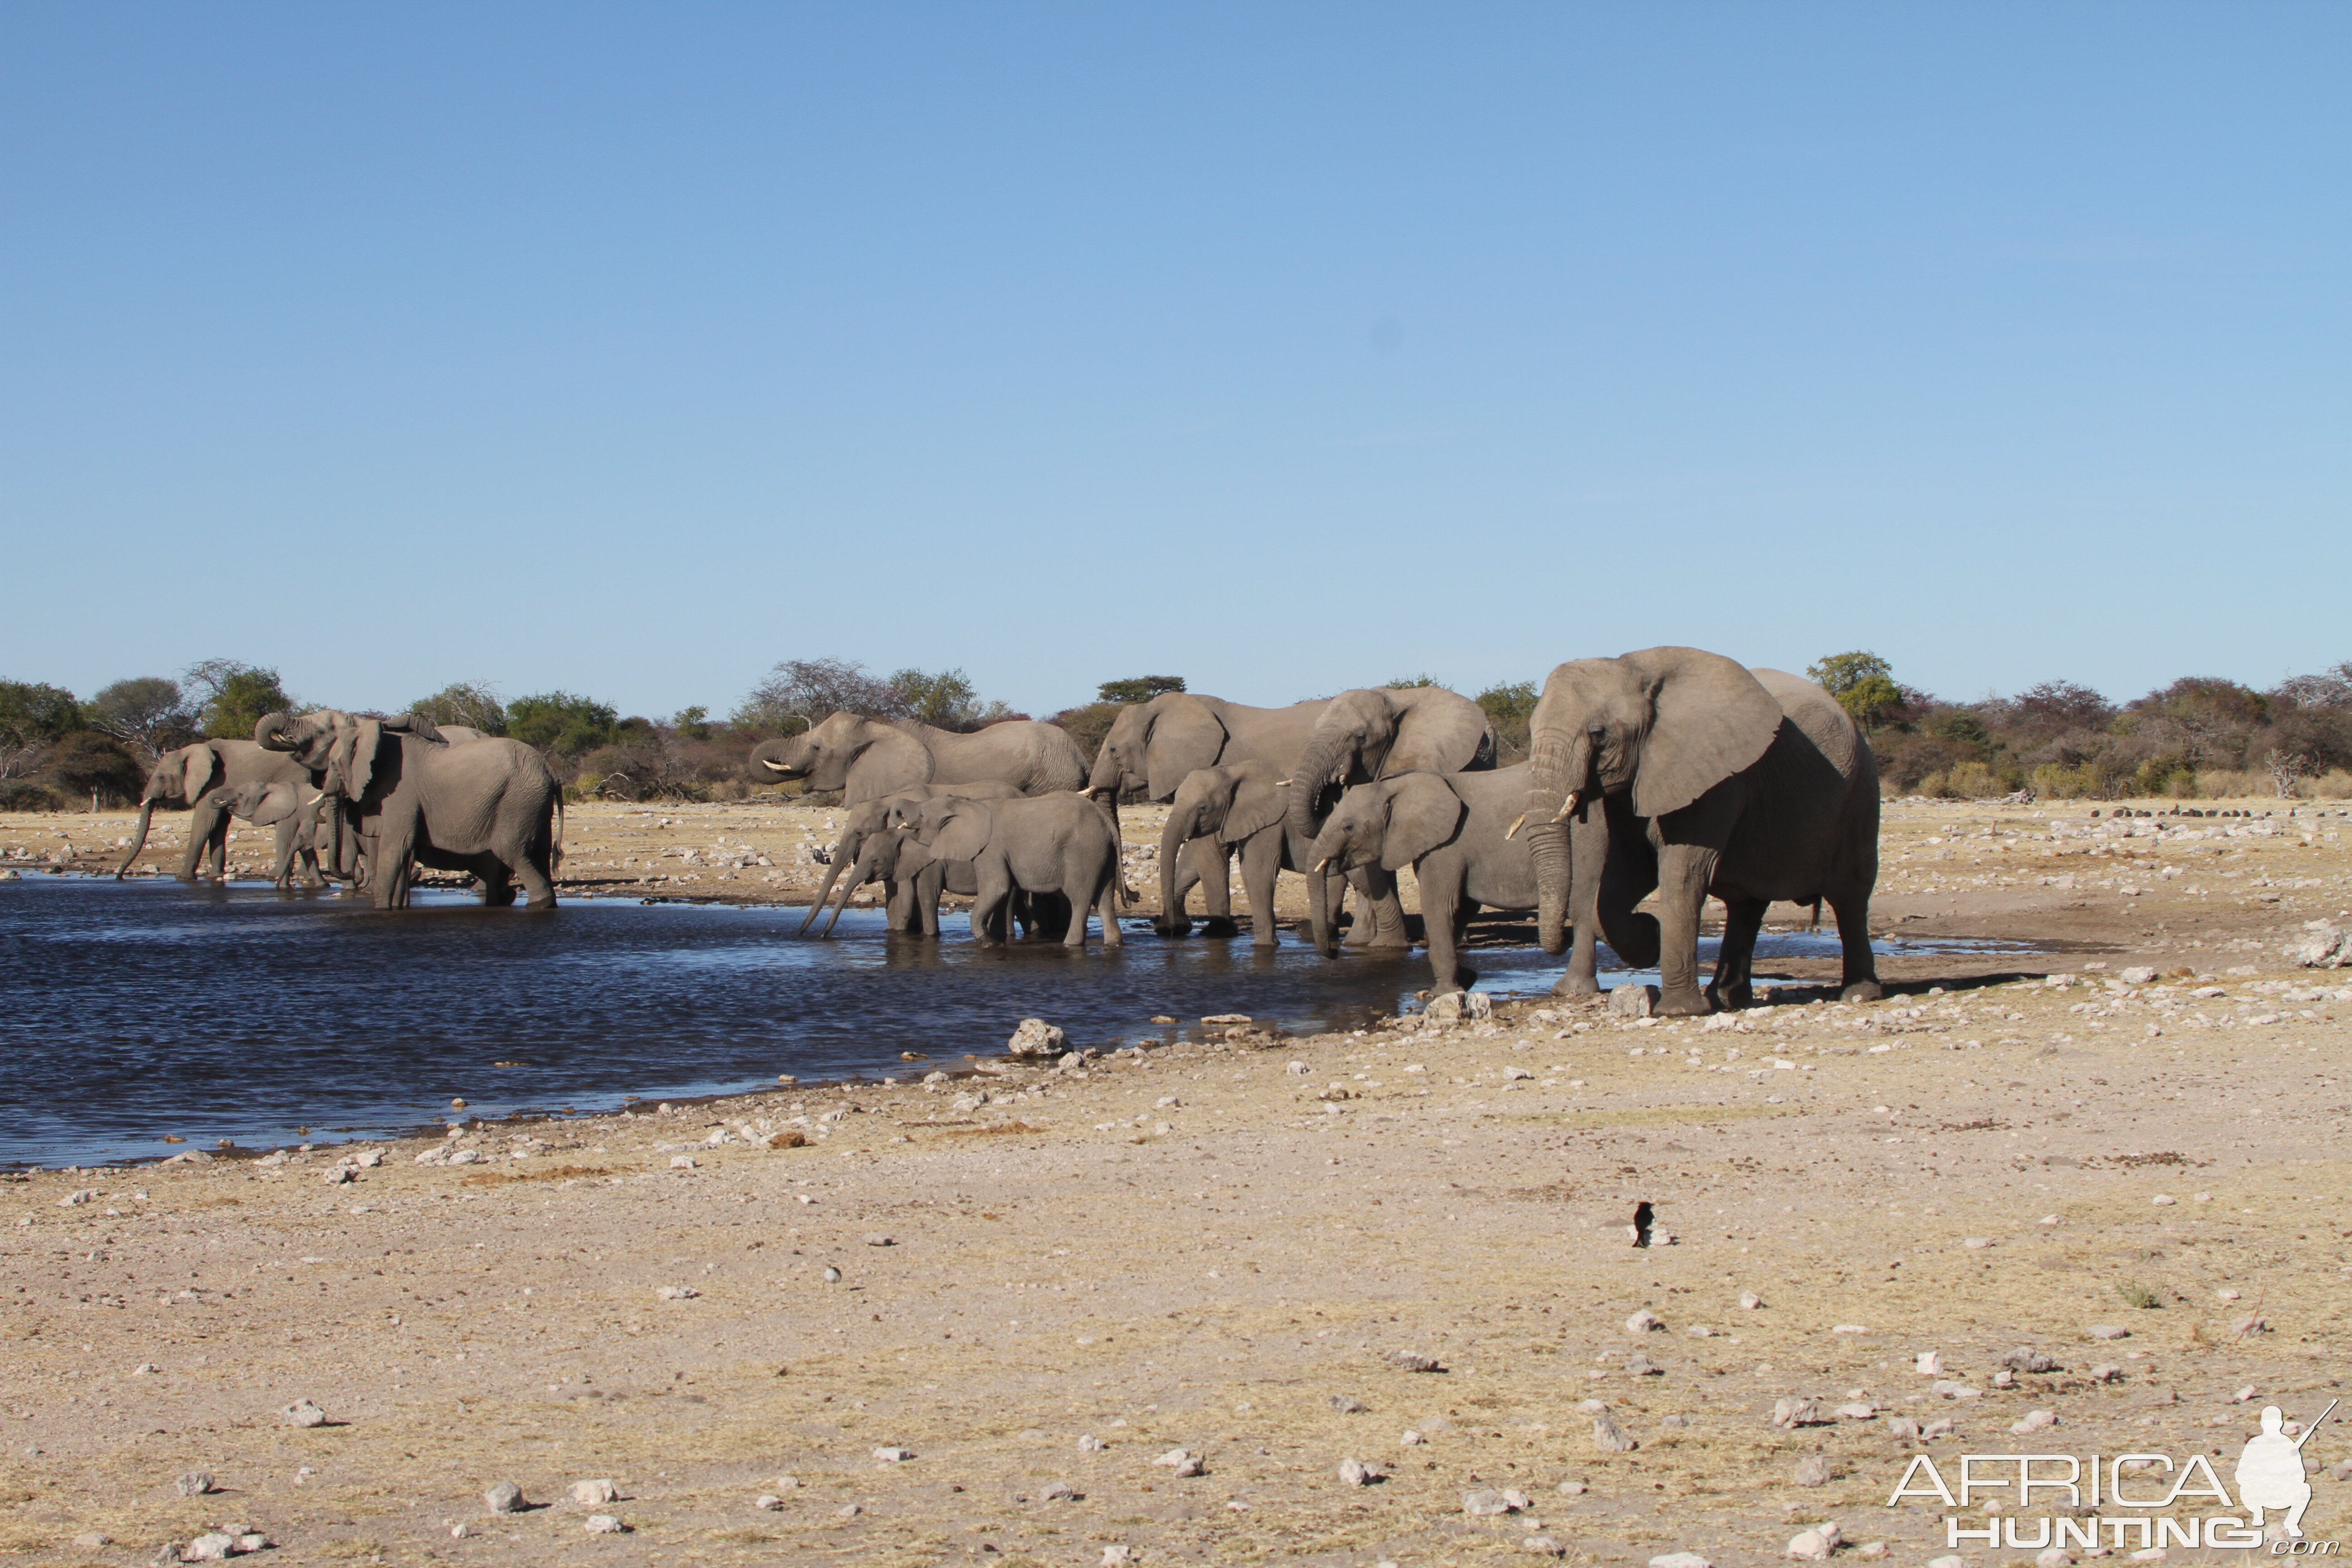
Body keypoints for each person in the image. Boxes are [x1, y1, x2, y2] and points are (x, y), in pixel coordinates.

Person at [2235, 1405, 2312, 1539]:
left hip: (2282, 1491)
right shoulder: (2254, 1444)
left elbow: (2300, 1475)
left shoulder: (2287, 1443)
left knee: (2305, 1489)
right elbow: (2241, 1474)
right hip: (2259, 1492)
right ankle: (2258, 1515)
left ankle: (2292, 1523)